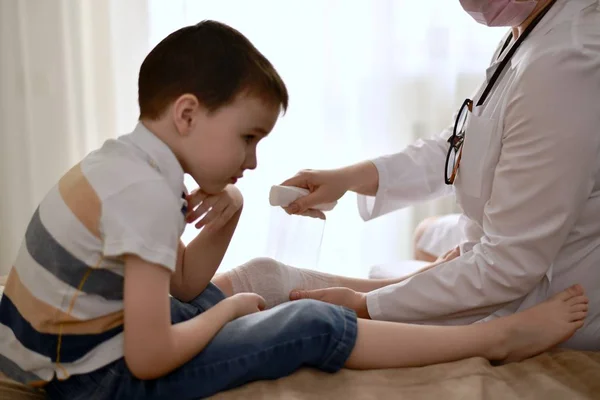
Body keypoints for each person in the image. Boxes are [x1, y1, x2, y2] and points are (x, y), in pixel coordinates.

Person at [0, 18, 590, 400]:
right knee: (316, 325)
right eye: (247, 138)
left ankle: (439, 302)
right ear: (187, 114)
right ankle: (493, 339)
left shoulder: (126, 165)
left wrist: (228, 211)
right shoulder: (146, 195)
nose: (253, 161)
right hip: (90, 380)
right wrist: (226, 314)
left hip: (70, 352)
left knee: (261, 278)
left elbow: (179, 282)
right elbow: (150, 356)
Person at [255, 0, 600, 351]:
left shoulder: (564, 63)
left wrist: (364, 306)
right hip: (501, 249)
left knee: (269, 282)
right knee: (422, 235)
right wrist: (349, 178)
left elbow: (508, 266)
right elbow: (462, 141)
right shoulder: (530, 31)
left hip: (546, 286)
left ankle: (498, 336)